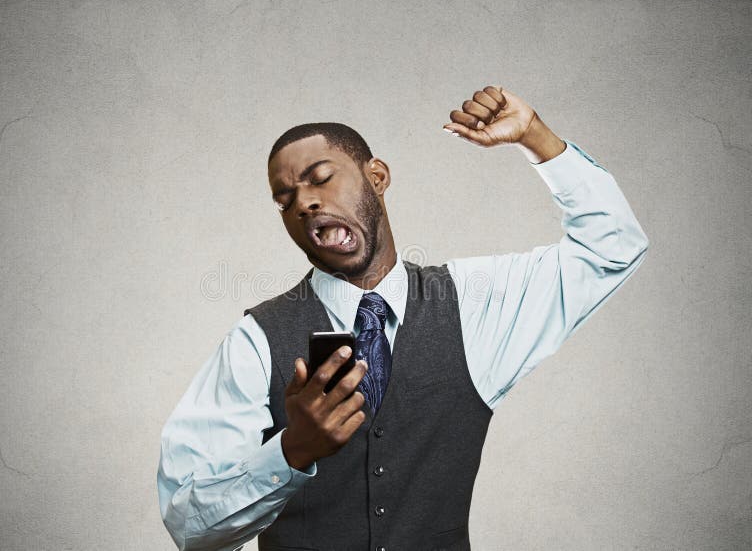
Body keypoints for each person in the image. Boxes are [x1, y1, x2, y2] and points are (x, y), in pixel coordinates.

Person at [157, 85, 648, 551]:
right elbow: (189, 526)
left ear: (377, 176)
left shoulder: (473, 306)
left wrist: (536, 136)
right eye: (285, 200)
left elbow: (613, 249)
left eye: (321, 179)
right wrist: (291, 451)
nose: (304, 203)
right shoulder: (256, 342)